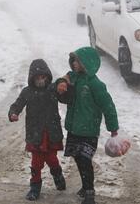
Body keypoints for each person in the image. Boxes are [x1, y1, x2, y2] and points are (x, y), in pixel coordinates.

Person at [56, 47, 119, 204]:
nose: (75, 64)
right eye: (74, 60)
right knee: (78, 159)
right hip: (74, 128)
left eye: (78, 61)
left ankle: (89, 192)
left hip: (89, 130)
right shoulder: (73, 77)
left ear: (87, 63)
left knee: (85, 160)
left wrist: (113, 128)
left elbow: (108, 106)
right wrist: (62, 83)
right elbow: (61, 79)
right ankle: (85, 186)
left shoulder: (96, 84)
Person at [8, 59, 66, 201]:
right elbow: (17, 104)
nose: (40, 80)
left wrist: (63, 87)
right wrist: (13, 113)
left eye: (43, 77)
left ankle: (57, 174)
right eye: (37, 78)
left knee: (52, 159)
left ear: (47, 77)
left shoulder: (52, 89)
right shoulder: (27, 92)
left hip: (51, 132)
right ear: (32, 78)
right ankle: (35, 187)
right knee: (36, 163)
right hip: (35, 134)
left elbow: (64, 97)